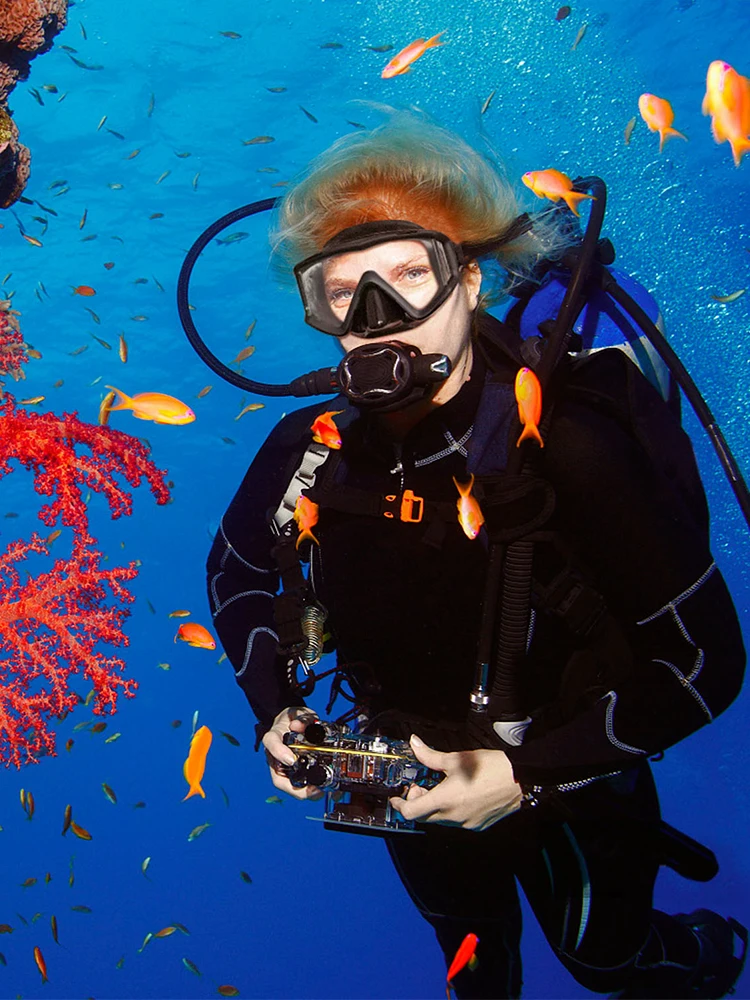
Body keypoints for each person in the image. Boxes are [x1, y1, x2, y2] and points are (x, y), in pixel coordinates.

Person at [205, 111, 747, 999]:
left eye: (410, 275)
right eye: (342, 292)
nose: (377, 319)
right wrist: (276, 708)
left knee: (604, 959)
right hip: (396, 766)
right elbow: (236, 571)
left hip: (570, 760)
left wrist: (523, 777)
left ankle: (700, 952)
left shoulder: (565, 440)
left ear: (471, 280)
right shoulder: (311, 446)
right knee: (478, 974)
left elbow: (706, 662)